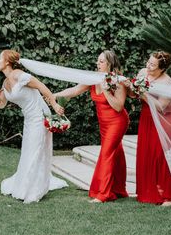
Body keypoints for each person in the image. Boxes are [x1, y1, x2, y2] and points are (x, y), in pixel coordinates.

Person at [0, 49, 68, 203]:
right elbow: (1, 105)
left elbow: (41, 87)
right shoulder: (5, 82)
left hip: (39, 117)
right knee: (28, 151)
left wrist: (54, 105)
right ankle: (24, 184)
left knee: (36, 151)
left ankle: (33, 189)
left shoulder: (18, 75)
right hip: (29, 120)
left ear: (7, 62)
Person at [55, 50, 129, 203]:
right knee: (116, 153)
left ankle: (102, 193)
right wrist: (55, 95)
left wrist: (107, 91)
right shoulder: (92, 78)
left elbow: (119, 107)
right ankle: (118, 189)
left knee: (106, 153)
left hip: (117, 121)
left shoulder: (118, 82)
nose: (98, 63)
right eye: (98, 60)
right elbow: (74, 90)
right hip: (104, 123)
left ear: (110, 64)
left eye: (101, 61)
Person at [130, 51, 171, 206]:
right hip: (147, 118)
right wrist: (132, 88)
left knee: (162, 156)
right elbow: (132, 95)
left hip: (164, 120)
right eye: (148, 62)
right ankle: (148, 191)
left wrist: (143, 93)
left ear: (162, 69)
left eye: (152, 65)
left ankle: (167, 195)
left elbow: (161, 106)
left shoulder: (167, 82)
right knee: (147, 153)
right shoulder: (143, 73)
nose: (148, 66)